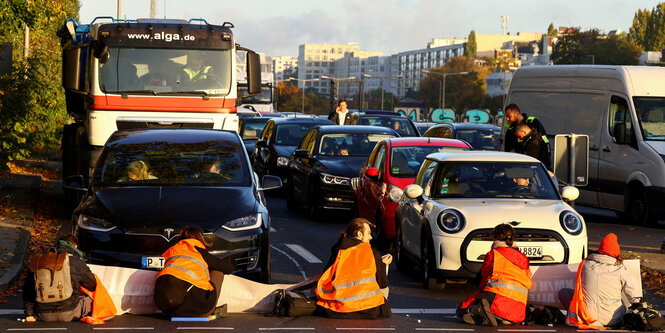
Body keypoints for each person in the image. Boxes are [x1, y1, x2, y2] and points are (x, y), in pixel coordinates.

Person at [457, 223, 533, 327]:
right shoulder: (524, 259)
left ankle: (478, 311)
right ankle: (495, 318)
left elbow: (483, 281)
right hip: (518, 312)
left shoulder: (494, 254)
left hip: (497, 300)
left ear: (494, 237)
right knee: (501, 313)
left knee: (461, 310)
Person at [316, 218, 392, 319]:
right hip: (367, 309)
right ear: (359, 234)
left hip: (336, 308)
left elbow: (327, 275)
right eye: (368, 233)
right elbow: (382, 283)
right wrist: (382, 265)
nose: (371, 237)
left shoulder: (339, 249)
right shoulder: (371, 253)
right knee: (384, 289)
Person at [154, 226, 235, 318]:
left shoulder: (172, 251)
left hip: (166, 309)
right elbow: (229, 268)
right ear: (200, 237)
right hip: (197, 307)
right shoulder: (198, 251)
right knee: (218, 271)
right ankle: (211, 309)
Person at [563, 233, 641, 329]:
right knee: (622, 303)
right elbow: (634, 295)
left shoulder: (585, 265)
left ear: (600, 250)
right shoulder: (620, 269)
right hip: (613, 320)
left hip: (586, 318)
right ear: (616, 253)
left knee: (564, 292)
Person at [23, 234, 97, 322]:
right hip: (69, 313)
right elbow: (92, 284)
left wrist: (29, 313)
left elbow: (28, 289)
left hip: (41, 314)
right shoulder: (76, 261)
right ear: (75, 246)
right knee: (92, 301)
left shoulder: (41, 261)